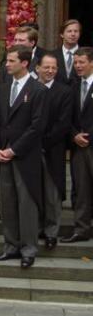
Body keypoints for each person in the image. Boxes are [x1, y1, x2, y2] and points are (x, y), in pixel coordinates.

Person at [0, 45, 47, 268]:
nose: (7, 64)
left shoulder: (38, 90)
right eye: (7, 60)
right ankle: (10, 246)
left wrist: (14, 150)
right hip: (3, 156)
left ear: (24, 63)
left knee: (27, 204)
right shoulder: (3, 89)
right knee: (8, 203)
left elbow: (37, 126)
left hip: (25, 158)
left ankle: (28, 249)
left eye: (11, 61)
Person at [36, 52, 73, 250]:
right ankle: (36, 229)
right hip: (30, 151)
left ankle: (51, 232)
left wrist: (44, 142)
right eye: (47, 67)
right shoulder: (30, 88)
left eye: (54, 68)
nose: (50, 71)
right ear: (37, 68)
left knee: (52, 194)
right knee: (34, 193)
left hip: (53, 150)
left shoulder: (64, 92)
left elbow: (63, 123)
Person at [66, 47, 93, 244]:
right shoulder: (73, 86)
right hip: (79, 147)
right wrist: (74, 135)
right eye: (76, 63)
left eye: (82, 62)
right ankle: (82, 229)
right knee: (81, 189)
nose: (78, 66)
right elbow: (67, 116)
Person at [54, 19, 81, 86]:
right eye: (69, 31)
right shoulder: (52, 55)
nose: (73, 34)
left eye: (76, 31)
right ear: (62, 34)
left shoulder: (87, 55)